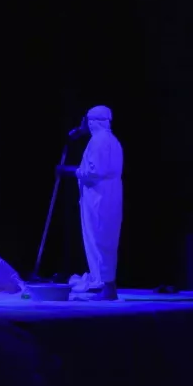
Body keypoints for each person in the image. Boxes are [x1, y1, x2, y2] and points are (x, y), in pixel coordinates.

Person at [57, 105, 123, 301]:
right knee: (103, 239)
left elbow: (94, 172)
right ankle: (105, 283)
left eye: (85, 120)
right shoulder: (111, 140)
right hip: (106, 194)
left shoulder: (98, 141)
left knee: (99, 239)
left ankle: (106, 286)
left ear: (93, 121)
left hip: (99, 196)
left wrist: (69, 171)